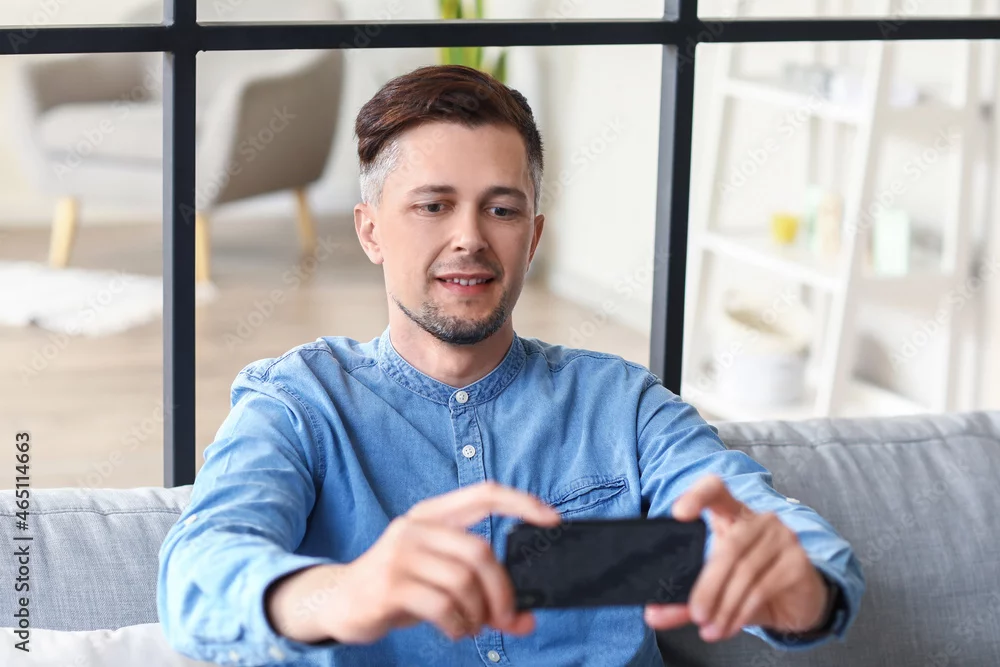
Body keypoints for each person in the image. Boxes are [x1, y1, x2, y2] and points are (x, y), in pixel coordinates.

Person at [157, 65, 864, 667]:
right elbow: (197, 574)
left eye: (501, 210)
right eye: (433, 206)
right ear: (370, 230)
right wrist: (343, 593)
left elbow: (781, 531)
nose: (469, 237)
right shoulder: (299, 402)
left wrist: (799, 589)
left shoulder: (622, 404)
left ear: (532, 237)